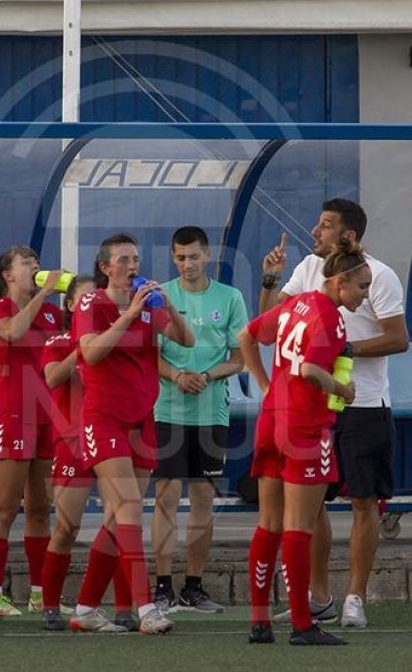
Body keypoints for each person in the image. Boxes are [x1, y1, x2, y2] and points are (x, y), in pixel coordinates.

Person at [260, 198, 408, 628]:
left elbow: (398, 339)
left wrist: (342, 349)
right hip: (314, 407)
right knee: (313, 503)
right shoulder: (307, 267)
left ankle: (355, 598)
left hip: (362, 405)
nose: (314, 231)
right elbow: (270, 324)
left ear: (349, 236)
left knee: (364, 501)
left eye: (325, 225)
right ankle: (318, 596)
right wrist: (269, 278)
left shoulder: (379, 275)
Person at [241, 237, 370, 646]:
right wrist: (343, 390)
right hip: (305, 426)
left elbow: (248, 336)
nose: (364, 296)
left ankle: (260, 620)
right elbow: (314, 369)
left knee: (269, 524)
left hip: (272, 420)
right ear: (340, 281)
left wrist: (265, 386)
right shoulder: (329, 317)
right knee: (299, 527)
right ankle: (301, 624)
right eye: (362, 287)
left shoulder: (296, 305)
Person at [68, 233, 193, 635]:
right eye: (123, 260)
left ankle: (86, 608)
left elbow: (186, 340)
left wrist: (168, 305)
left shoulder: (146, 307)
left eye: (136, 259)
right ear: (105, 267)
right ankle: (145, 608)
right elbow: (90, 352)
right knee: (128, 509)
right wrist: (127, 315)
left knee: (116, 515)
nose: (132, 266)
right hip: (104, 419)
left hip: (142, 421)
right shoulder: (92, 303)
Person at [151, 226, 247, 614]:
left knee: (203, 498)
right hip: (168, 411)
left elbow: (239, 357)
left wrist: (207, 375)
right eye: (179, 257)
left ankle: (193, 586)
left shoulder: (230, 297)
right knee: (166, 497)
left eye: (193, 256)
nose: (187, 264)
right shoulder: (161, 298)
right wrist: (176, 375)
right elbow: (150, 355)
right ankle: (162, 587)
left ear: (207, 255)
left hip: (212, 413)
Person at [39, 275, 132, 632]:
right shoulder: (59, 341)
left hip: (111, 435)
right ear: (71, 305)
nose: (96, 305)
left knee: (121, 519)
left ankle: (124, 606)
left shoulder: (118, 338)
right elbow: (51, 379)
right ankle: (49, 605)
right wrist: (82, 349)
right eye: (87, 299)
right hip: (73, 441)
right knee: (67, 526)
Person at [0, 246, 64, 616]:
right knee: (5, 506)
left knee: (41, 508)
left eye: (37, 262)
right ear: (9, 274)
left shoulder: (53, 313)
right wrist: (44, 293)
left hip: (47, 415)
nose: (35, 267)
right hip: (11, 413)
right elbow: (13, 332)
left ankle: (40, 593)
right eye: (26, 263)